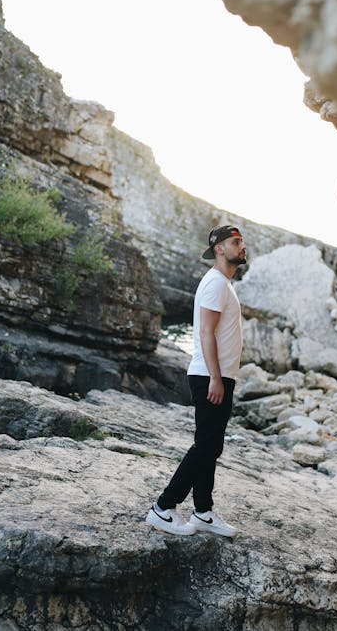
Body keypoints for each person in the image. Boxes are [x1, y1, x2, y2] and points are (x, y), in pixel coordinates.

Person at [146, 225, 247, 538]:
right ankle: (163, 508)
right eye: (236, 242)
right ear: (219, 248)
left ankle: (202, 511)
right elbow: (205, 332)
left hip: (218, 375)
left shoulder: (223, 284)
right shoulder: (215, 283)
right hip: (209, 375)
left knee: (210, 445)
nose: (242, 247)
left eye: (241, 242)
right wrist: (216, 378)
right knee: (205, 446)